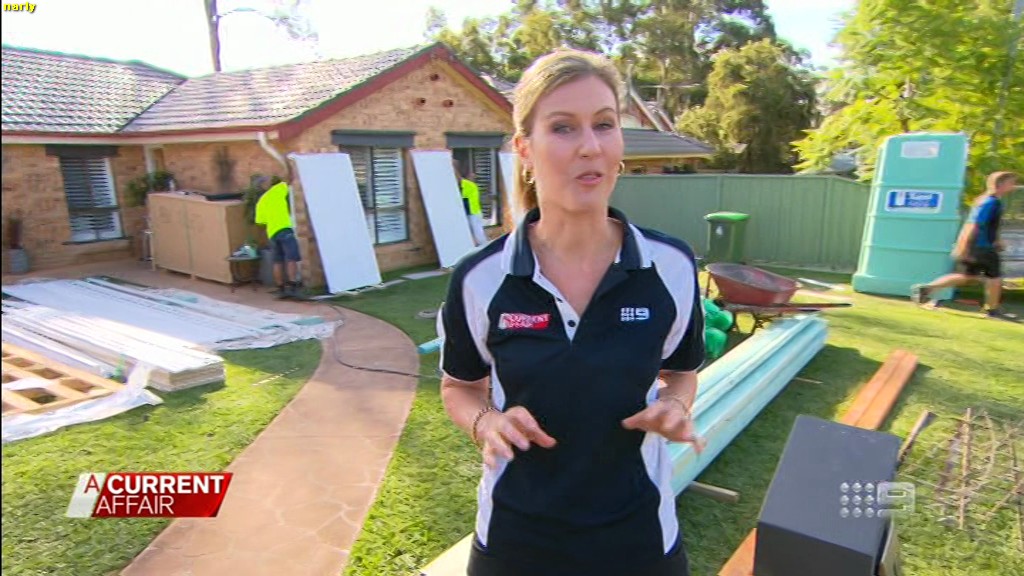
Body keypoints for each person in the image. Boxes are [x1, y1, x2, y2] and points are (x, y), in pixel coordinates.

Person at [437, 48, 706, 576]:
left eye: (604, 125)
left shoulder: (671, 266)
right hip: (516, 542)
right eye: (563, 128)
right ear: (525, 149)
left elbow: (682, 372)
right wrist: (487, 423)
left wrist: (675, 403)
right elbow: (459, 387)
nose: (590, 146)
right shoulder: (480, 277)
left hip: (639, 537)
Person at [911, 171, 1018, 319]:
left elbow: (988, 226)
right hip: (982, 247)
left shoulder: (986, 201)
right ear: (1000, 184)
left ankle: (927, 289)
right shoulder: (991, 202)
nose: (1013, 186)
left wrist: (997, 240)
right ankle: (992, 310)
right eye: (1011, 182)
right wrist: (964, 246)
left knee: (967, 276)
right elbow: (974, 224)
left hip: (978, 246)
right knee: (994, 277)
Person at [253, 174, 302, 299]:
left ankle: (281, 288)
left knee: (277, 260)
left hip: (272, 233)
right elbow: (290, 179)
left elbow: (260, 222)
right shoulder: (277, 190)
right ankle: (293, 286)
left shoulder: (261, 202)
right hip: (285, 229)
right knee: (291, 258)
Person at [456, 160, 489, 246]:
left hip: (472, 212)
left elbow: (459, 181)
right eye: (471, 175)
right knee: (478, 232)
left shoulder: (469, 186)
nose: (472, 177)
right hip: (474, 212)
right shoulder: (471, 186)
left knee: (477, 232)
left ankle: (482, 246)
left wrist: (454, 167)